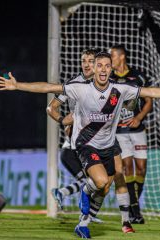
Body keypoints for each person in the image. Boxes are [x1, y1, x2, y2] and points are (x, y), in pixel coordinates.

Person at [0, 52, 160, 238]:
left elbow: (151, 92)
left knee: (104, 188)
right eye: (99, 65)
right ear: (93, 69)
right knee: (101, 181)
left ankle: (83, 223)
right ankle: (86, 196)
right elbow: (48, 87)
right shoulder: (80, 88)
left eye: (106, 66)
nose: (103, 69)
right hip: (86, 144)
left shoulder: (120, 89)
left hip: (109, 145)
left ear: (111, 68)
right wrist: (18, 85)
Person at [47, 49, 105, 224]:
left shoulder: (105, 85)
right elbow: (51, 107)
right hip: (74, 147)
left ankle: (67, 196)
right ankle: (86, 215)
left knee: (101, 181)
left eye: (90, 61)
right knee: (96, 181)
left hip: (96, 143)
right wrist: (64, 120)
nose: (86, 64)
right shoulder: (73, 84)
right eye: (83, 61)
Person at [110, 45, 152, 224]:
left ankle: (134, 204)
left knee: (141, 168)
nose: (109, 59)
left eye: (112, 56)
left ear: (121, 57)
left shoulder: (138, 76)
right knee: (127, 166)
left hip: (138, 130)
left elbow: (149, 100)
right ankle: (135, 210)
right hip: (119, 132)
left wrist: (139, 117)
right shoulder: (109, 79)